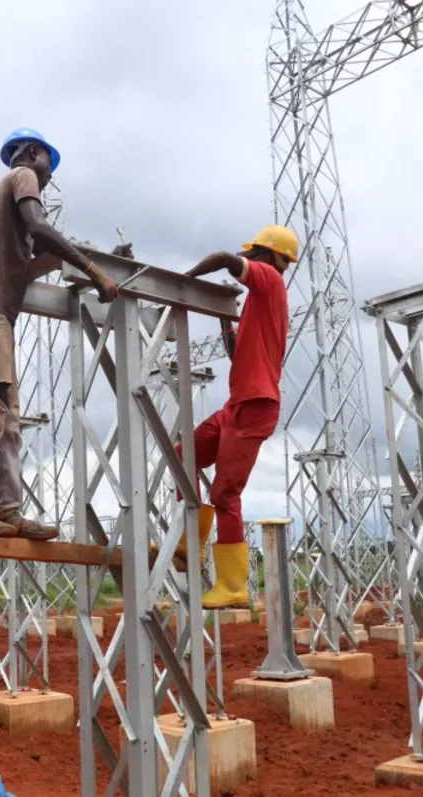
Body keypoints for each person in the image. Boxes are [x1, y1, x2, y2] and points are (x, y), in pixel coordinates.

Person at [0, 127, 119, 539]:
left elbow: (30, 262)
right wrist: (94, 271)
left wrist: (98, 260)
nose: (47, 179)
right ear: (31, 154)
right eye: (48, 166)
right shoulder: (20, 176)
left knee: (7, 417)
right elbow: (41, 226)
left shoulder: (7, 221)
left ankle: (6, 508)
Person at [177, 224, 298, 608]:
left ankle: (233, 586)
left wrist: (188, 278)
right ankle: (190, 545)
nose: (249, 259)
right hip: (238, 404)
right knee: (183, 454)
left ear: (270, 258)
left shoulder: (270, 281)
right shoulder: (260, 301)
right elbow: (238, 355)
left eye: (255, 253)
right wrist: (225, 323)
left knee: (225, 494)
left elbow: (226, 260)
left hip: (257, 405)